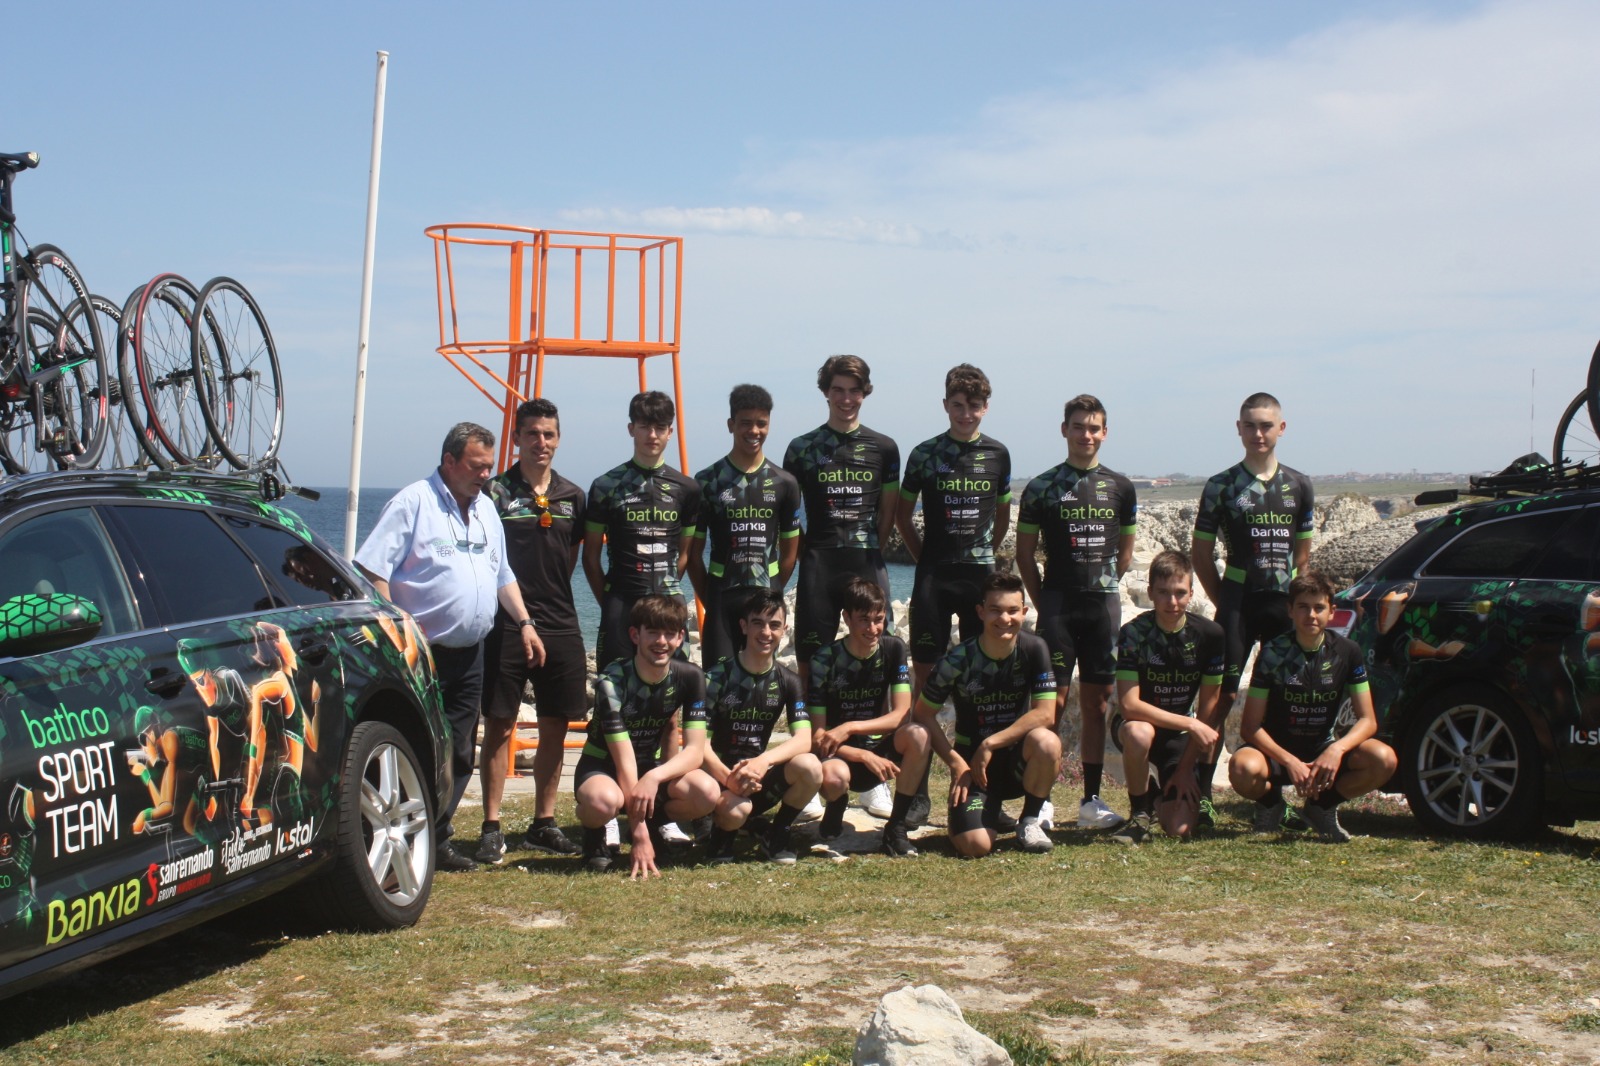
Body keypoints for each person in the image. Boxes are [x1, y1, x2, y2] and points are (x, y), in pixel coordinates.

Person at [356, 422, 539, 873]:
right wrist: (398, 630)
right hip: (422, 654)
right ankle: (395, 835)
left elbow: (502, 575)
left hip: (471, 653)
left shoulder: (487, 510)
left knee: (458, 751)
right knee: (415, 747)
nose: (485, 475)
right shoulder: (413, 503)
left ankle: (436, 837)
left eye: (489, 466)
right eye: (476, 466)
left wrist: (525, 623)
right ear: (449, 461)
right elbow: (372, 569)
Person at [1191, 392, 1315, 826]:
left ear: (1281, 428)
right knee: (1221, 697)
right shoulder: (1221, 485)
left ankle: (1274, 798)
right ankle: (1201, 794)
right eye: (1250, 425)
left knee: (1281, 697)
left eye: (1266, 425)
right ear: (1239, 429)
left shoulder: (1299, 485)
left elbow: (1302, 557)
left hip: (1282, 605)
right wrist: (1223, 599)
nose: (1258, 433)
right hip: (1238, 603)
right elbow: (1201, 555)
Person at [1016, 394, 1137, 830]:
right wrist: (1045, 600)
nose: (1086, 434)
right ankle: (1042, 799)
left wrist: (1101, 587)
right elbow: (1024, 556)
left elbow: (1125, 555)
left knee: (1097, 704)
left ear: (1105, 432)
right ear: (1064, 429)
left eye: (1094, 427)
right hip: (1058, 606)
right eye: (1079, 426)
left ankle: (1090, 800)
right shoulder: (1041, 487)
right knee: (1052, 703)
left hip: (1102, 606)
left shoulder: (1121, 487)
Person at [477, 397, 587, 863]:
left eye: (549, 434)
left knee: (555, 724)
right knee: (500, 723)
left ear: (558, 439)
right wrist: (520, 615)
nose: (541, 442)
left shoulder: (572, 495)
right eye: (532, 433)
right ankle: (491, 825)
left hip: (560, 621)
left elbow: (571, 557)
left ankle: (544, 822)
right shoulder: (495, 493)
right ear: (516, 438)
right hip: (505, 624)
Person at [1229, 571, 1398, 842]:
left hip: (1323, 751)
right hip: (1277, 754)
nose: (1311, 615)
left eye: (1319, 608)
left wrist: (1336, 750)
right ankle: (1271, 805)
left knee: (1384, 759)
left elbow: (1368, 721)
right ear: (1290, 611)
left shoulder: (1348, 651)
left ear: (1332, 612)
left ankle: (1321, 807)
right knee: (1242, 768)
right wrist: (1290, 761)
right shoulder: (1273, 652)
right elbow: (1250, 727)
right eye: (1303, 607)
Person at [914, 571, 1061, 857]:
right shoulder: (957, 659)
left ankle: (1029, 821)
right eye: (995, 610)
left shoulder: (1035, 648)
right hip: (973, 768)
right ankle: (974, 817)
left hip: (1015, 760)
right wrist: (956, 764)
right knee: (975, 846)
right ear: (980, 612)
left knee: (1048, 742)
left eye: (1012, 611)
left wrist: (990, 743)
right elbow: (922, 714)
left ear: (1024, 613)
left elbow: (1045, 714)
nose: (1004, 619)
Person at [574, 596, 720, 878]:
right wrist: (638, 834)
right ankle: (594, 833)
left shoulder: (691, 677)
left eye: (669, 633)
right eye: (652, 632)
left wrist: (654, 777)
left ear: (680, 638)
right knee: (603, 801)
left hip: (648, 766)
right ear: (635, 635)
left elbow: (694, 751)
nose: (661, 641)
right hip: (603, 765)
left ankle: (655, 825)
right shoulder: (612, 681)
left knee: (707, 793)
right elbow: (624, 760)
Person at [782, 355, 900, 688]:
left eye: (854, 391)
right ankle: (814, 723)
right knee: (810, 663)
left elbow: (888, 513)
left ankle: (879, 720)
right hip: (820, 565)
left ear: (865, 392)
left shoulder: (884, 448)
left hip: (866, 561)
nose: (846, 399)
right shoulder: (801, 448)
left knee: (879, 655)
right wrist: (807, 550)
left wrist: (872, 547)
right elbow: (786, 513)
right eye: (838, 390)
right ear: (825, 391)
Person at [1108, 550, 1225, 843]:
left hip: (1180, 734)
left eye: (1179, 593)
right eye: (1163, 592)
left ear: (1191, 594)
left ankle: (1156, 796)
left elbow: (1209, 707)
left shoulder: (1210, 634)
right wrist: (1192, 724)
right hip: (1136, 725)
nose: (1172, 602)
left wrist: (1185, 769)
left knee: (1179, 829)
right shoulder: (1134, 633)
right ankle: (1139, 814)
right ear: (1150, 593)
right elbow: (1129, 706)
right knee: (1139, 733)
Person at [808, 577, 926, 857]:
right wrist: (862, 755)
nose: (873, 629)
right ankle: (836, 803)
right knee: (834, 778)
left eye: (879, 620)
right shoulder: (824, 659)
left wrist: (850, 727)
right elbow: (818, 737)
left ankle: (896, 827)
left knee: (919, 735)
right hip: (839, 755)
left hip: (877, 749)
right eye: (864, 620)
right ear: (846, 618)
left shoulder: (893, 648)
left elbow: (901, 715)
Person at [584, 391, 702, 668]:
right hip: (621, 601)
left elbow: (684, 555)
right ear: (631, 429)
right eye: (644, 426)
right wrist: (610, 602)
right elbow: (589, 558)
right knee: (613, 686)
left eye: (660, 427)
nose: (652, 434)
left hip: (669, 602)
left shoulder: (688, 488)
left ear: (670, 432)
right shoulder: (605, 486)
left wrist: (665, 587)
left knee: (672, 685)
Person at [701, 590, 820, 864]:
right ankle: (722, 834)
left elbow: (804, 739)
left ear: (784, 630)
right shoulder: (715, 678)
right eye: (758, 623)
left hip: (757, 776)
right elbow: (700, 745)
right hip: (719, 778)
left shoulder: (789, 681)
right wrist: (728, 779)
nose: (766, 632)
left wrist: (763, 761)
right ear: (744, 626)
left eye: (774, 625)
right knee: (736, 811)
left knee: (811, 767)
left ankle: (777, 833)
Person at [688, 384, 802, 666]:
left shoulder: (785, 483)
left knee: (759, 683)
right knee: (717, 681)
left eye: (761, 423)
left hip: (766, 599)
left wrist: (774, 590)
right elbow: (693, 555)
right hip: (721, 599)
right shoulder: (707, 481)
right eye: (745, 423)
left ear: (769, 424)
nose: (754, 431)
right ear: (731, 425)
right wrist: (711, 598)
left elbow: (790, 553)